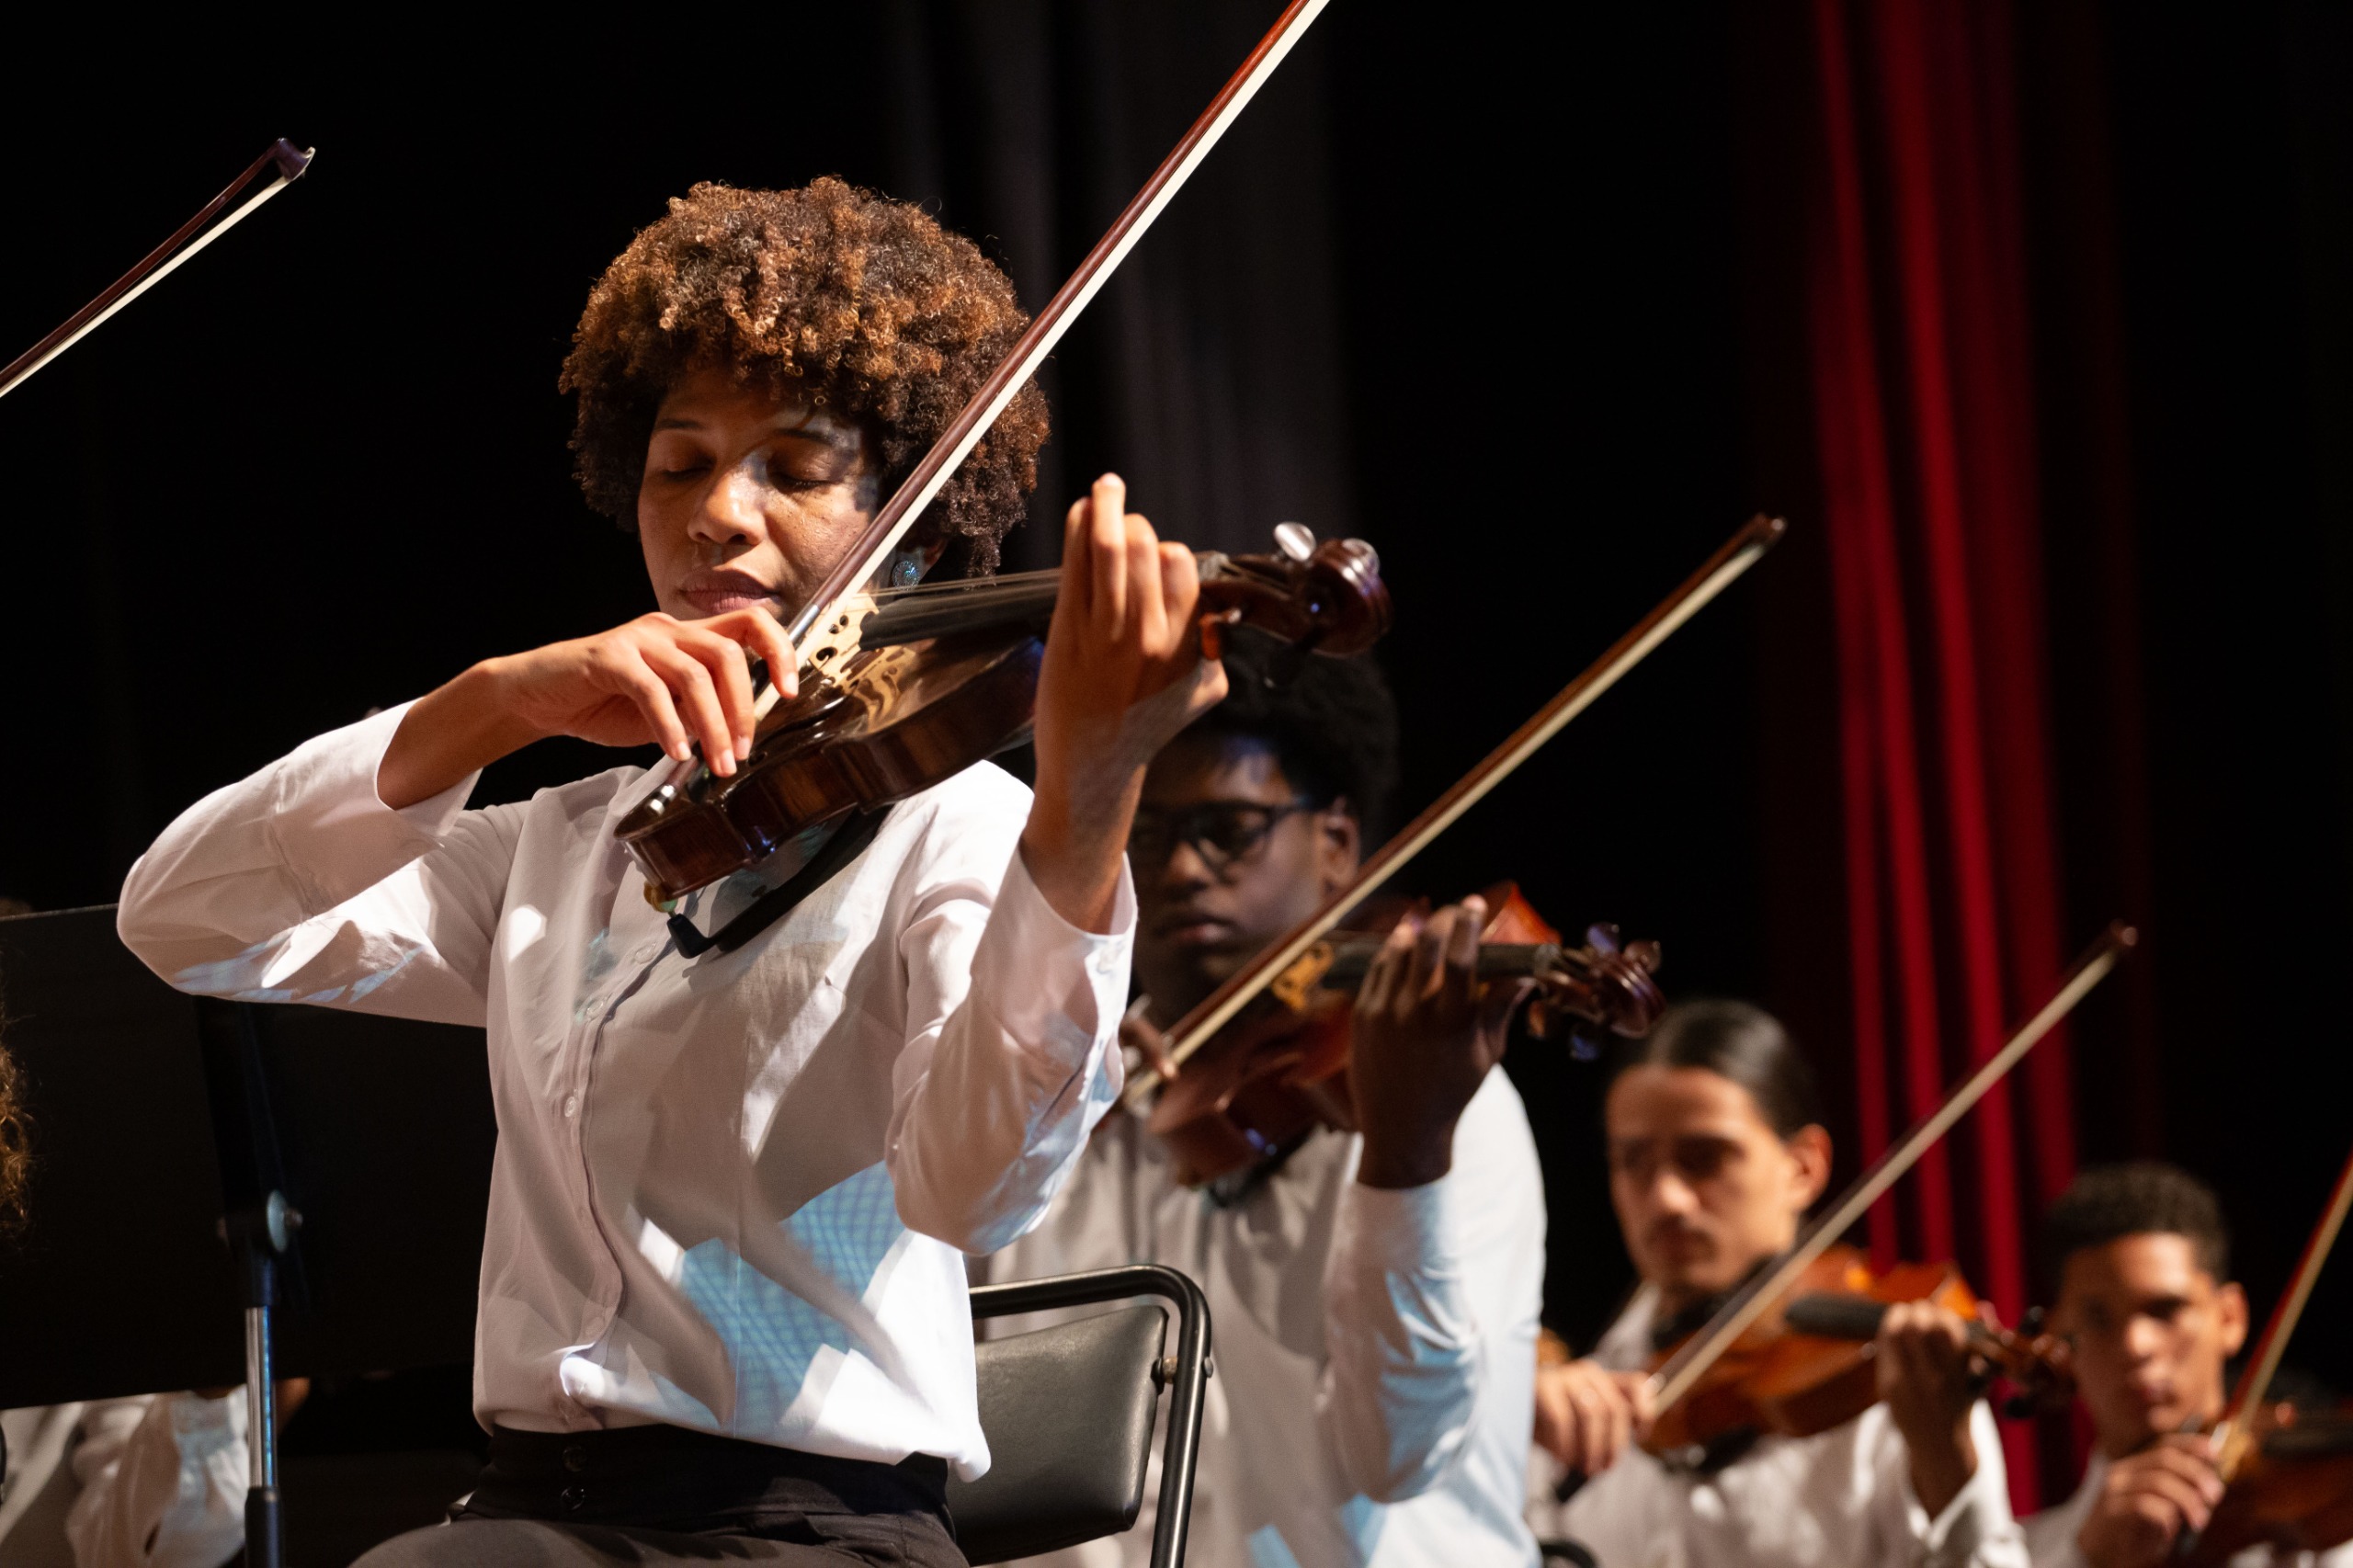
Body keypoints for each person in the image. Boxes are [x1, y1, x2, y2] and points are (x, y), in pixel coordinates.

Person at [115, 177, 1222, 1568]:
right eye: (679, 463)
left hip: (812, 1533)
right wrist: (495, 702)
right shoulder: (572, 846)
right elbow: (181, 918)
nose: (717, 515)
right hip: (531, 1511)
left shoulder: (963, 830)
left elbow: (977, 1190)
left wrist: (1089, 796)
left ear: (919, 524)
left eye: (796, 471)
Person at [984, 629, 1549, 1568]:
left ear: (1334, 844)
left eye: (1228, 830)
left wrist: (1404, 1160)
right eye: (1148, 833)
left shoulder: (1446, 1104)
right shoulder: (1064, 1101)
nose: (1178, 871)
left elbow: (1400, 1455)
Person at [1532, 1001, 2029, 1568]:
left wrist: (1944, 1459)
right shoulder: (1576, 1392)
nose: (1666, 1198)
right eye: (1633, 1162)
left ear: (1803, 1168)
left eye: (1704, 1159)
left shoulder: (1890, 1382)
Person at [2023, 1162, 2350, 1568]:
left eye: (2166, 1310)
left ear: (2230, 1318)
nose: (2135, 1345)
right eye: (2097, 1320)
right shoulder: (2022, 1554)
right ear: (2059, 1340)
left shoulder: (2321, 1534)